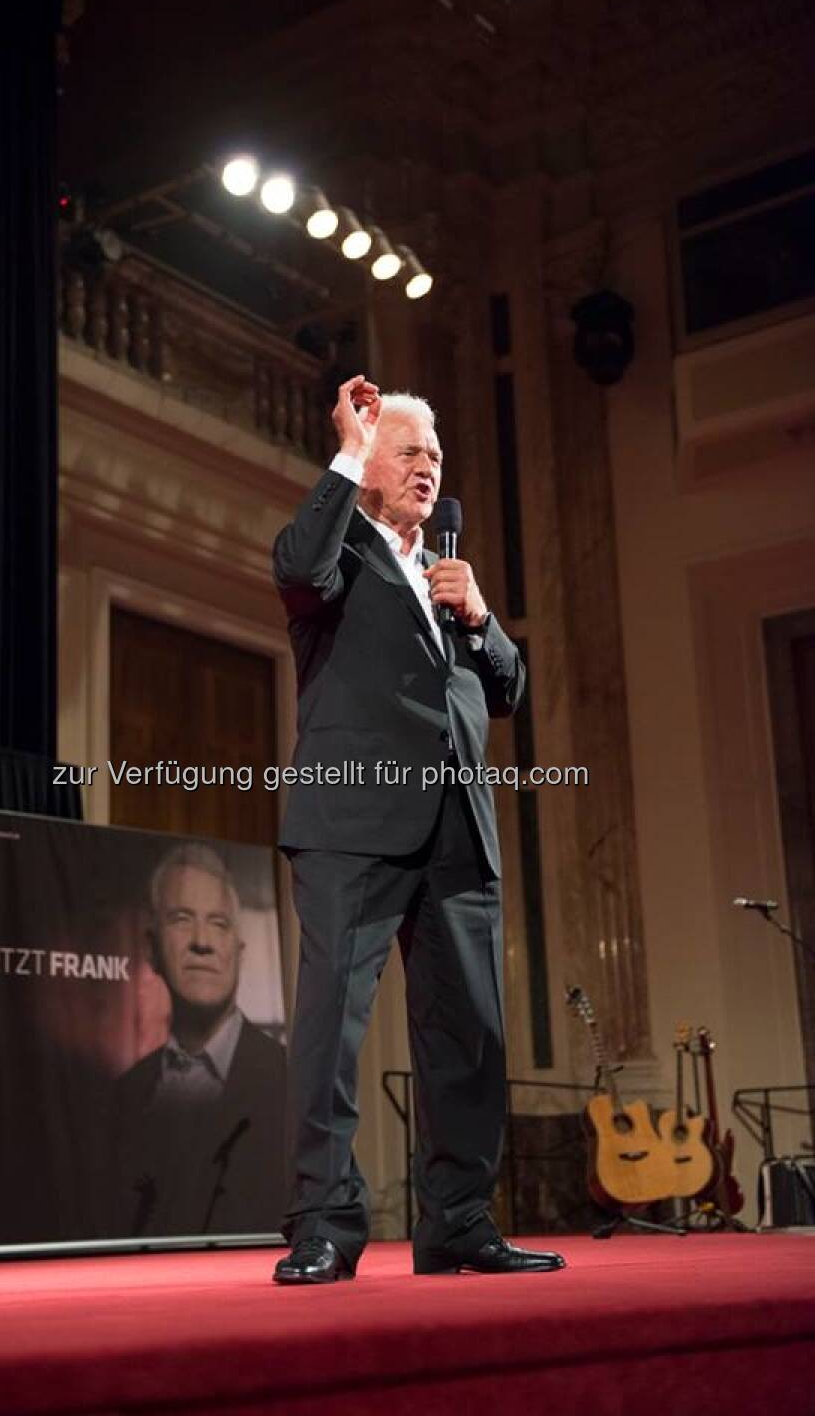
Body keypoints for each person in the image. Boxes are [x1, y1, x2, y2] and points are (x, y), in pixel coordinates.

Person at [271, 376, 565, 1282]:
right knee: (333, 1029)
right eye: (409, 452)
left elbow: (507, 691)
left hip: (457, 831)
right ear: (368, 467)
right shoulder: (339, 552)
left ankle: (458, 1223)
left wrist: (481, 618)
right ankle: (323, 1224)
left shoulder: (449, 579)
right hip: (353, 818)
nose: (428, 468)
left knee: (469, 1033)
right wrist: (349, 450)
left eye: (435, 456)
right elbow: (295, 565)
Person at [109, 842, 286, 1238]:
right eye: (182, 919)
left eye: (219, 923)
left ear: (239, 953)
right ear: (151, 949)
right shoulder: (121, 1097)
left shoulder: (289, 1079)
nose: (201, 941)